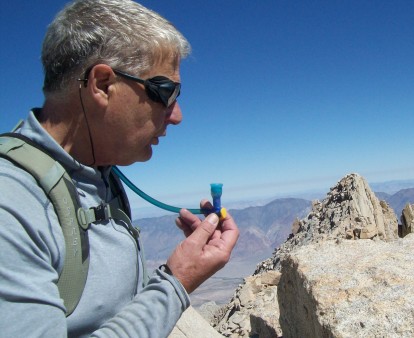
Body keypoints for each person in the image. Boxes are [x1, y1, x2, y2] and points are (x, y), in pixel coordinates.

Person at [0, 0, 239, 337]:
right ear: (101, 85)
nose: (177, 114)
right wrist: (176, 282)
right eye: (165, 92)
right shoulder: (12, 207)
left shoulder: (98, 173)